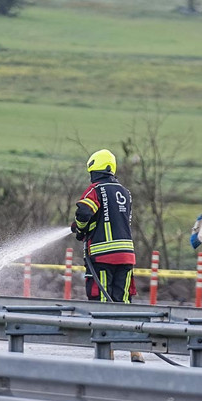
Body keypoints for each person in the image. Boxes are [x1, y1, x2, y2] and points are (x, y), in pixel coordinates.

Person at [71, 148, 143, 362]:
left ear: (95, 170)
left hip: (102, 256)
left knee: (102, 301)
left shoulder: (96, 189)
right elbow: (108, 218)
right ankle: (135, 350)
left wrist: (81, 229)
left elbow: (84, 212)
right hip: (126, 255)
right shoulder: (125, 192)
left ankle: (107, 350)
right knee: (124, 302)